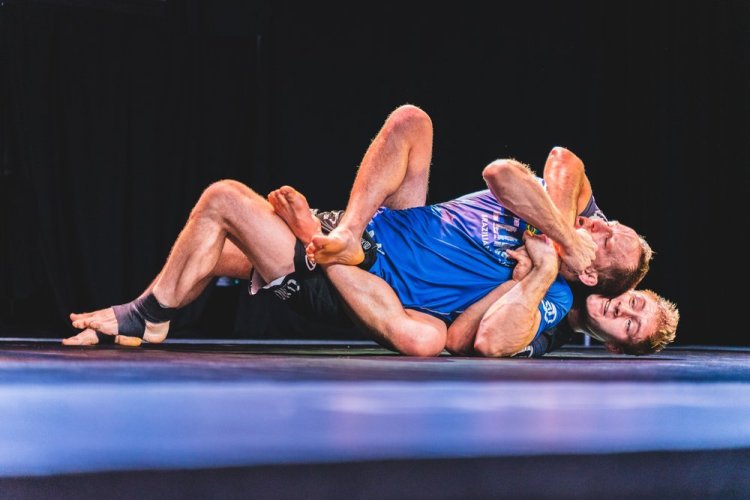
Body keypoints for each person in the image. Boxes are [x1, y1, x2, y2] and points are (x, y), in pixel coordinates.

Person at [63, 105, 661, 357]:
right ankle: (158, 309)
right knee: (413, 121)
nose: (604, 226)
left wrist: (544, 267)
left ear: (591, 275)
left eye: (608, 239)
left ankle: (147, 313)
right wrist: (566, 235)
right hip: (389, 225)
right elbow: (530, 167)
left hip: (376, 276)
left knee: (222, 206)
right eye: (613, 225)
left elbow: (469, 341)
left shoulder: (553, 292)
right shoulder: (566, 215)